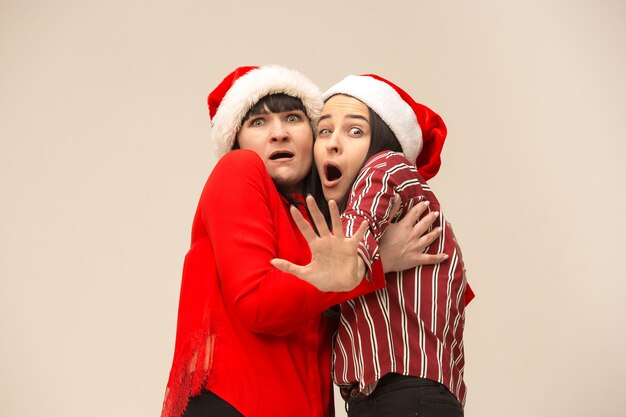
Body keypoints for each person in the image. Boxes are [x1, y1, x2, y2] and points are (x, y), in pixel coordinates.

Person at [161, 66, 447, 417]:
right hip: (233, 406)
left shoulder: (321, 220)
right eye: (258, 123)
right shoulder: (239, 168)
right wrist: (372, 263)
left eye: (293, 118)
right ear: (236, 140)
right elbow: (257, 304)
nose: (279, 134)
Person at [273, 73, 475, 416]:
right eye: (324, 130)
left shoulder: (386, 167)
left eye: (355, 131)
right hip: (395, 397)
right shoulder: (377, 221)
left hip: (404, 394)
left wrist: (347, 258)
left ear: (383, 141)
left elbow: (361, 223)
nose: (333, 143)